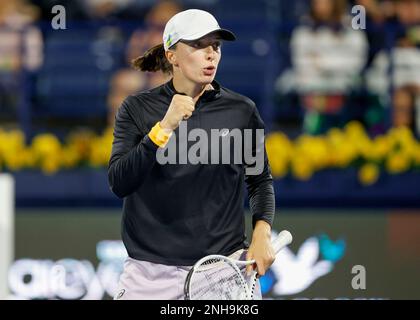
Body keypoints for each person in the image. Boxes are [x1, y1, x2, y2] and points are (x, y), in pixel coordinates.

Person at [108, 9, 276, 300]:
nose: (210, 54)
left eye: (216, 46)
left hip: (224, 272)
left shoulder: (241, 111)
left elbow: (260, 181)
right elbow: (120, 182)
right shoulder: (137, 109)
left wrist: (262, 232)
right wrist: (163, 128)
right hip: (148, 276)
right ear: (172, 55)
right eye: (198, 45)